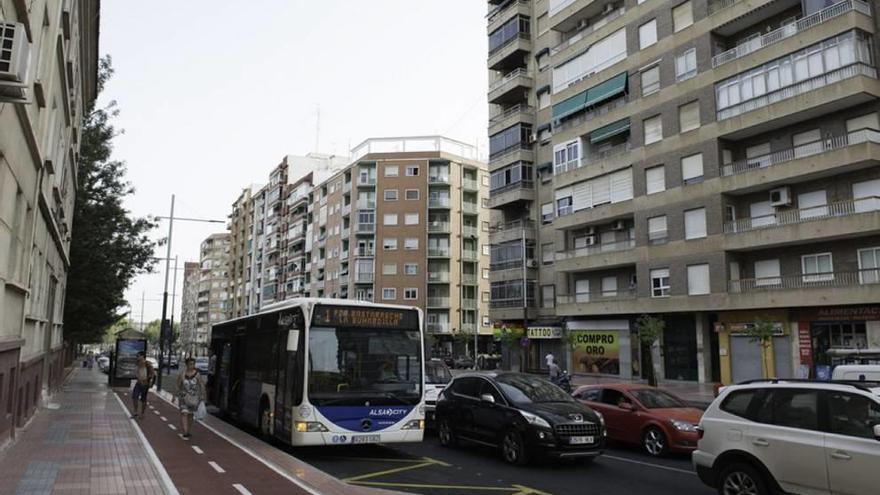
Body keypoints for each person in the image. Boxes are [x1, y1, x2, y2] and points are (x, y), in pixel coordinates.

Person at [176, 357, 206, 439]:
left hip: (194, 398)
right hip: (183, 397)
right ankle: (185, 432)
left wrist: (202, 395)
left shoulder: (197, 375)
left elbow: (201, 385)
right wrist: (175, 395)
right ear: (186, 365)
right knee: (184, 413)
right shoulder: (182, 374)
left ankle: (188, 430)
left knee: (190, 415)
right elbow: (178, 385)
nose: (192, 366)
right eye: (190, 364)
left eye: (193, 364)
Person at [131, 352, 156, 419]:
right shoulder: (137, 363)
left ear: (143, 356)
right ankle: (135, 412)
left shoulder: (148, 364)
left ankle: (142, 413)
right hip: (138, 383)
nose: (138, 357)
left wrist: (148, 381)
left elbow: (153, 374)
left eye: (139, 356)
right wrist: (138, 378)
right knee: (134, 396)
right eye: (137, 356)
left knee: (143, 399)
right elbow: (136, 372)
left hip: (145, 384)